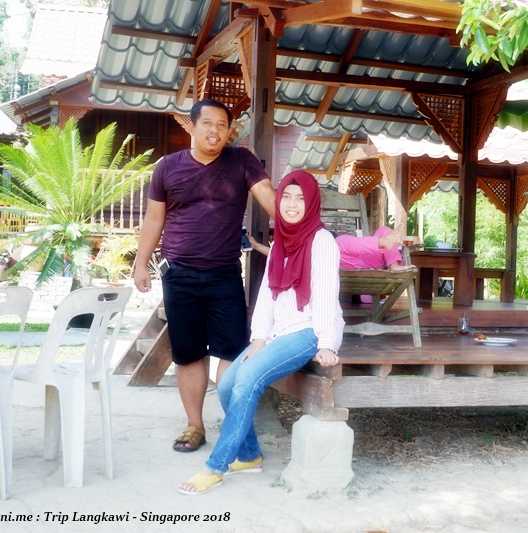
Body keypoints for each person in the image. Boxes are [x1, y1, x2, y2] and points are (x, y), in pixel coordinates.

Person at [177, 169, 344, 495]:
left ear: (312, 203)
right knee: (227, 383)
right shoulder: (281, 240)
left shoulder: (322, 241)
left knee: (248, 379)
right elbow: (268, 296)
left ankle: (215, 467)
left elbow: (326, 294)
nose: (292, 204)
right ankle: (250, 456)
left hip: (310, 331)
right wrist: (259, 339)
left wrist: (326, 343)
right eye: (287, 197)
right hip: (280, 333)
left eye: (301, 198)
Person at [133, 98, 276, 453]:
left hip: (224, 273)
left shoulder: (240, 160)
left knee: (232, 351)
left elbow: (269, 198)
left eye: (222, 125)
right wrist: (140, 263)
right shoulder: (168, 167)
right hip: (179, 274)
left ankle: (232, 425)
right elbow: (154, 218)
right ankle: (194, 425)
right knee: (188, 353)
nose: (215, 130)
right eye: (208, 123)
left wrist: (304, 229)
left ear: (229, 131)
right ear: (193, 127)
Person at [335, 223, 413, 272]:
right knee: (339, 241)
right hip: (365, 263)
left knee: (383, 230)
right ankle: (383, 242)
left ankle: (384, 244)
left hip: (368, 260)